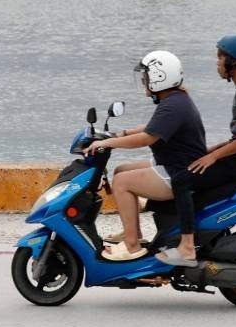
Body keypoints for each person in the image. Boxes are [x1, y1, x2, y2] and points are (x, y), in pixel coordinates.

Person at [156, 35, 236, 266]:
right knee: (193, 174)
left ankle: (187, 248)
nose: (217, 63)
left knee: (181, 181)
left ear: (233, 62)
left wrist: (213, 157)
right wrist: (210, 150)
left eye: (220, 57)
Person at [83, 50, 206, 262]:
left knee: (121, 182)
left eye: (147, 76)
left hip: (177, 171)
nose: (144, 80)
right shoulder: (175, 100)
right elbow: (152, 127)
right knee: (120, 170)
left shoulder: (174, 104)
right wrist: (122, 133)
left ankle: (132, 246)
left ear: (160, 77)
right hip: (173, 163)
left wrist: (107, 142)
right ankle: (133, 233)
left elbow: (146, 138)